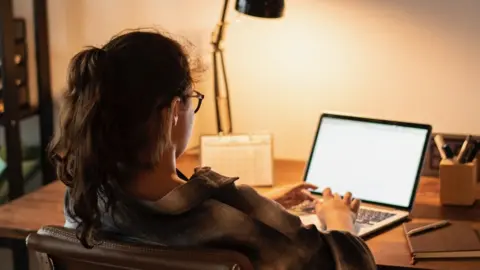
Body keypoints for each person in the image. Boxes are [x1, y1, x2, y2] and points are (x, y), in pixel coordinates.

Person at [49, 29, 376, 269]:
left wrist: (263, 205)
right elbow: (349, 265)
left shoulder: (84, 200)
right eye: (193, 99)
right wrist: (338, 217)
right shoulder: (230, 215)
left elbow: (166, 218)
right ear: (173, 109)